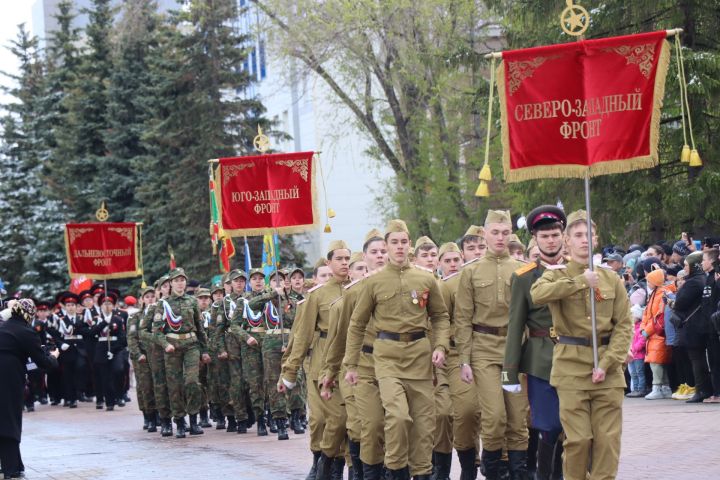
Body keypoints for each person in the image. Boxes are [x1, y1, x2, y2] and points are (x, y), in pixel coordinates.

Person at [530, 210, 632, 480]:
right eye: (577, 235)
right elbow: (538, 294)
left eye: (589, 235)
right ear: (567, 241)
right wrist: (578, 282)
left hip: (607, 370)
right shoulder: (555, 275)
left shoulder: (611, 279)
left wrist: (609, 362)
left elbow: (624, 325)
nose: (584, 240)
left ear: (596, 239)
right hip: (571, 368)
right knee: (578, 440)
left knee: (608, 441)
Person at [344, 219, 450, 480]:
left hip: (420, 357)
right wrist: (351, 364)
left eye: (404, 242)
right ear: (387, 246)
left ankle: (422, 473)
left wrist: (440, 346)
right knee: (399, 417)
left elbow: (440, 316)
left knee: (424, 425)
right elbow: (356, 325)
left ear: (410, 245)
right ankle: (395, 469)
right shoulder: (374, 282)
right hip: (388, 358)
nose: (399, 247)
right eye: (394, 242)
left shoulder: (425, 278)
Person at [455, 210, 528, 480]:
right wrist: (464, 359)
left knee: (518, 419)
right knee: (495, 417)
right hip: (483, 350)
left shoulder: (521, 270)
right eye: (495, 232)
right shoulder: (471, 271)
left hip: (514, 350)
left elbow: (530, 316)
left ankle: (518, 474)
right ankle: (493, 470)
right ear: (484, 233)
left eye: (505, 232)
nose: (500, 237)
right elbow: (462, 318)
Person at [502, 205, 567, 480]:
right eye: (544, 236)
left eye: (554, 234)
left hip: (578, 355)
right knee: (549, 425)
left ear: (563, 235)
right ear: (535, 240)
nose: (550, 240)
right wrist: (510, 372)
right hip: (541, 359)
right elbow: (515, 326)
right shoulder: (524, 276)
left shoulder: (579, 270)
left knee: (576, 426)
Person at [280, 241, 351, 479]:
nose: (344, 263)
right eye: (339, 259)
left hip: (351, 360)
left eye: (347, 258)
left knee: (346, 420)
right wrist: (289, 371)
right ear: (329, 263)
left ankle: (335, 466)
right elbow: (302, 336)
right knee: (322, 419)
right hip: (321, 360)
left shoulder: (358, 289)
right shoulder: (317, 295)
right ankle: (321, 461)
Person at [0, 299, 59, 479]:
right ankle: (11, 468)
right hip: (8, 378)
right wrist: (54, 356)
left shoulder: (3, 327)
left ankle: (12, 465)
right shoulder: (26, 331)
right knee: (10, 421)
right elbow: (43, 361)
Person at [153, 268, 211, 438]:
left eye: (182, 280)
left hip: (191, 346)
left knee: (192, 382)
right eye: (176, 280)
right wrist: (165, 345)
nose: (180, 283)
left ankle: (193, 419)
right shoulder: (163, 304)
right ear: (170, 283)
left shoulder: (192, 302)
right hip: (172, 347)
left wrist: (205, 350)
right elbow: (156, 332)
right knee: (175, 386)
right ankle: (179, 421)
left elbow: (200, 329)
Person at [673, 251, 712, 403]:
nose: (684, 268)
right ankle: (705, 389)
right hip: (700, 324)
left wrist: (675, 298)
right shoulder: (703, 279)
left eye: (686, 265)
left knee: (696, 359)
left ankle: (701, 389)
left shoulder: (694, 282)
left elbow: (681, 303)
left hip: (694, 326)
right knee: (700, 358)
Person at [90, 292, 128, 411]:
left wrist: (113, 350)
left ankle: (120, 395)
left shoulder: (118, 319)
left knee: (118, 370)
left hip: (115, 348)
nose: (107, 306)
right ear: (101, 306)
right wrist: (104, 322)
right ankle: (109, 402)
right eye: (104, 303)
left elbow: (122, 337)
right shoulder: (97, 319)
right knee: (105, 377)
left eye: (109, 303)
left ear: (113, 305)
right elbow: (92, 333)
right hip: (101, 348)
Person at [640, 269, 674, 400]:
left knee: (656, 361)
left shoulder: (661, 294)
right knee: (658, 361)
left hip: (657, 334)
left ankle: (657, 387)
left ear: (655, 282)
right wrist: (644, 328)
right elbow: (647, 314)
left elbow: (658, 317)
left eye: (649, 281)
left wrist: (646, 330)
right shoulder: (655, 293)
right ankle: (665, 387)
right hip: (653, 334)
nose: (647, 283)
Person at [127, 286, 157, 430]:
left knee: (159, 386)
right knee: (145, 387)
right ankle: (148, 416)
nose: (150, 299)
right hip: (142, 357)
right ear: (142, 300)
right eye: (147, 297)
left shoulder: (160, 314)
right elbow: (131, 339)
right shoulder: (135, 317)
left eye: (152, 296)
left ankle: (159, 414)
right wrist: (138, 354)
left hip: (157, 355)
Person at [626, 306, 647, 398]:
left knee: (639, 372)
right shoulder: (630, 328)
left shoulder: (640, 328)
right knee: (633, 373)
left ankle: (641, 389)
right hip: (631, 354)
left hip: (638, 355)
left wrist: (635, 348)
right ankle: (635, 389)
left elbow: (642, 340)